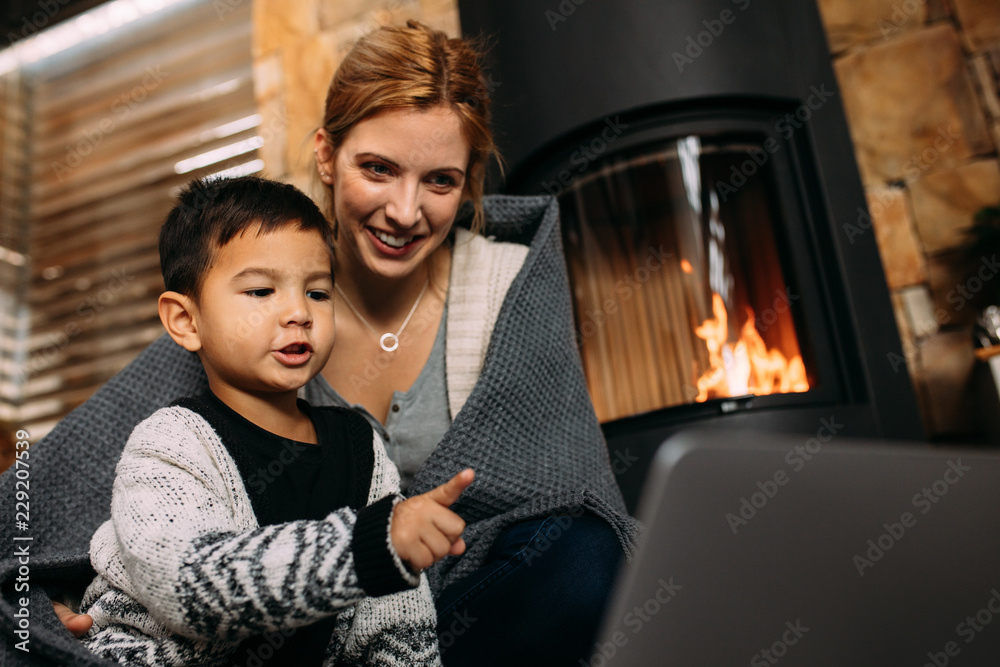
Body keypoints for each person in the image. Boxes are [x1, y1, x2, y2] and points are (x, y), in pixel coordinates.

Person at [0, 21, 639, 666]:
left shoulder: (508, 286)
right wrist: (32, 607)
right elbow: (59, 516)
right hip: (269, 620)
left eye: (440, 181)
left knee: (584, 560)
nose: (405, 211)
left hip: (456, 612)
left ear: (469, 180)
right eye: (378, 169)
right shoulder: (240, 312)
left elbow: (569, 497)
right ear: (327, 156)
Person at [78, 175, 473, 666]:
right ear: (186, 320)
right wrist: (371, 546)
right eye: (262, 290)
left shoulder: (359, 447)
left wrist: (387, 554)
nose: (298, 313)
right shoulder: (171, 442)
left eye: (318, 293)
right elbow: (190, 588)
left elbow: (395, 625)